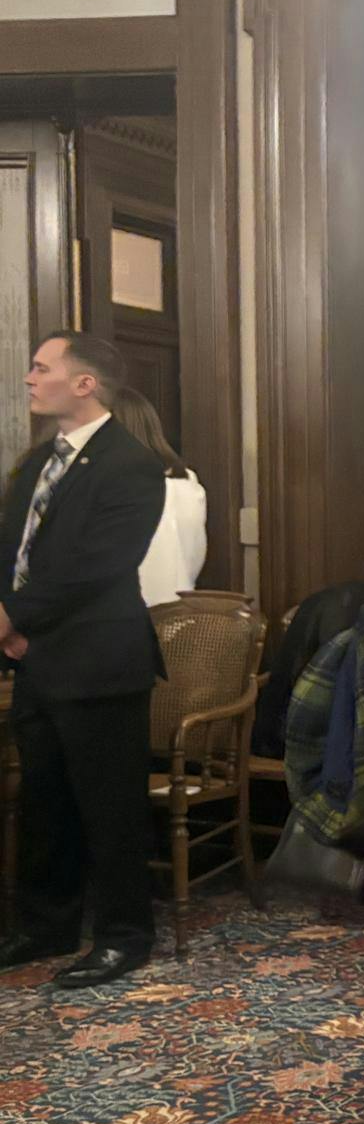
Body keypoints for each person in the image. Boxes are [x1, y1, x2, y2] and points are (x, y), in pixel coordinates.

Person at [0, 332, 166, 988]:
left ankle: (125, 936)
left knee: (110, 807)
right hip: (36, 659)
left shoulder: (131, 463)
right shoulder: (38, 462)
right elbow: (13, 547)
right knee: (44, 801)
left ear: (85, 383)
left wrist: (15, 617)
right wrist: (8, 619)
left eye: (42, 368)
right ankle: (47, 925)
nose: (29, 378)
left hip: (100, 662)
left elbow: (98, 565)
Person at [110, 386, 207, 607]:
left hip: (128, 613)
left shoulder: (118, 486)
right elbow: (193, 555)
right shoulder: (186, 482)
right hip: (179, 608)